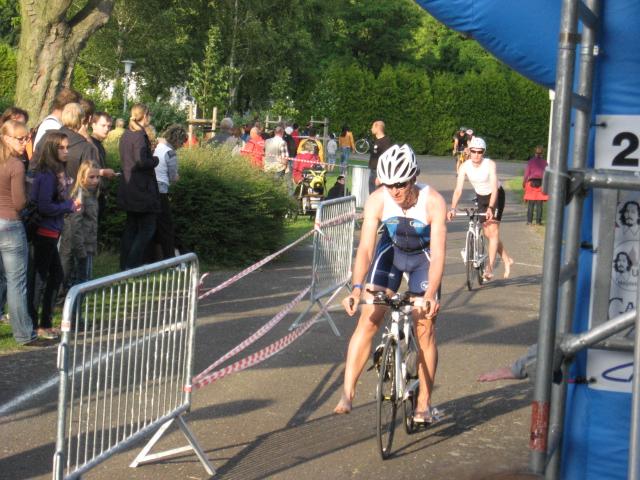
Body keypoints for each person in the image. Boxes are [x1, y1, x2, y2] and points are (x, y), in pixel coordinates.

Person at [334, 144, 447, 425]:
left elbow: (438, 255)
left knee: (424, 327)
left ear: (414, 177)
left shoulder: (433, 201)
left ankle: (423, 403)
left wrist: (430, 294)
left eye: (401, 184)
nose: (395, 191)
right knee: (369, 318)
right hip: (392, 253)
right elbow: (365, 248)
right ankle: (347, 393)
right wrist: (356, 288)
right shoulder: (378, 200)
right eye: (389, 185)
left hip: (423, 258)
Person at [28, 131, 81, 339]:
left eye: (67, 147)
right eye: (61, 148)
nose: (66, 151)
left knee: (53, 276)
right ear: (52, 149)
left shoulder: (56, 172)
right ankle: (36, 324)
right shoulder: (48, 174)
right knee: (40, 278)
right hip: (44, 231)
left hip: (52, 229)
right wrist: (68, 206)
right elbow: (45, 206)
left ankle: (44, 322)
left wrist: (68, 204)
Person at [447, 137, 514, 280]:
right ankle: (507, 259)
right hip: (481, 197)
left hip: (495, 196)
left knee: (493, 232)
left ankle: (489, 269)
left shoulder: (490, 164)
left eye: (480, 152)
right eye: (474, 151)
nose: (476, 155)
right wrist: (452, 208)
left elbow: (494, 190)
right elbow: (458, 190)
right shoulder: (464, 166)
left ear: (483, 152)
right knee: (488, 234)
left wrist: (491, 207)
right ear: (469, 151)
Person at [0, 120, 40, 345]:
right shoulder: (15, 164)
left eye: (27, 138)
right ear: (6, 138)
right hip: (10, 224)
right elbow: (19, 203)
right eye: (20, 138)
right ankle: (24, 333)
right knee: (16, 282)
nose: (25, 142)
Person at [117, 103, 161, 270]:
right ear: (145, 116)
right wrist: (155, 160)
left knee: (131, 227)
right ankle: (132, 264)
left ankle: (124, 266)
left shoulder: (126, 134)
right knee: (147, 228)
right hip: (141, 189)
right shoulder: (140, 136)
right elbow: (141, 161)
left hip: (129, 186)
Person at [59, 160, 100, 289]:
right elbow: (75, 223)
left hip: (89, 242)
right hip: (81, 245)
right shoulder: (80, 194)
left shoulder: (92, 194)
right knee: (82, 281)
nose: (95, 180)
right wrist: (80, 249)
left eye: (97, 177)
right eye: (91, 177)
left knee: (86, 279)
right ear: (82, 178)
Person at [152, 124, 187, 260]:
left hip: (151, 189)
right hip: (162, 191)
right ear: (178, 140)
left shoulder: (158, 147)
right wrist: (177, 177)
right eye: (182, 143)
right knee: (166, 227)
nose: (182, 146)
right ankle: (170, 258)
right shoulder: (170, 153)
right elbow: (173, 177)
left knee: (153, 226)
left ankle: (153, 257)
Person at [89, 112, 117, 224]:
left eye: (109, 126)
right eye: (103, 125)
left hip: (99, 194)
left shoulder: (99, 144)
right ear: (93, 125)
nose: (106, 129)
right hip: (91, 195)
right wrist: (103, 173)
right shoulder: (90, 144)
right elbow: (86, 170)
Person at [523, 145, 548, 225]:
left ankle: (529, 221)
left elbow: (526, 174)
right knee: (539, 204)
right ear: (542, 154)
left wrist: (524, 183)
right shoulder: (545, 163)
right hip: (541, 184)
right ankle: (538, 221)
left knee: (531, 203)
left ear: (535, 153)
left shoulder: (531, 162)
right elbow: (547, 175)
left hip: (531, 183)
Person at [368, 120, 391, 193]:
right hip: (373, 171)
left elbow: (386, 158)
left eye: (372, 127)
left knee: (377, 194)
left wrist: (380, 176)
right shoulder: (376, 141)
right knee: (372, 194)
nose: (371, 129)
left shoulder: (386, 141)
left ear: (377, 127)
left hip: (379, 173)